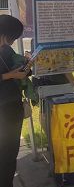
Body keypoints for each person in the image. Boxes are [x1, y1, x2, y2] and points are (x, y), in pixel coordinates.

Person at [0, 15, 29, 187]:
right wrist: (11, 75)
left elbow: (15, 68)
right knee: (6, 152)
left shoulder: (6, 50)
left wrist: (25, 66)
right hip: (4, 108)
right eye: (10, 38)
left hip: (12, 106)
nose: (9, 43)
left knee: (10, 152)